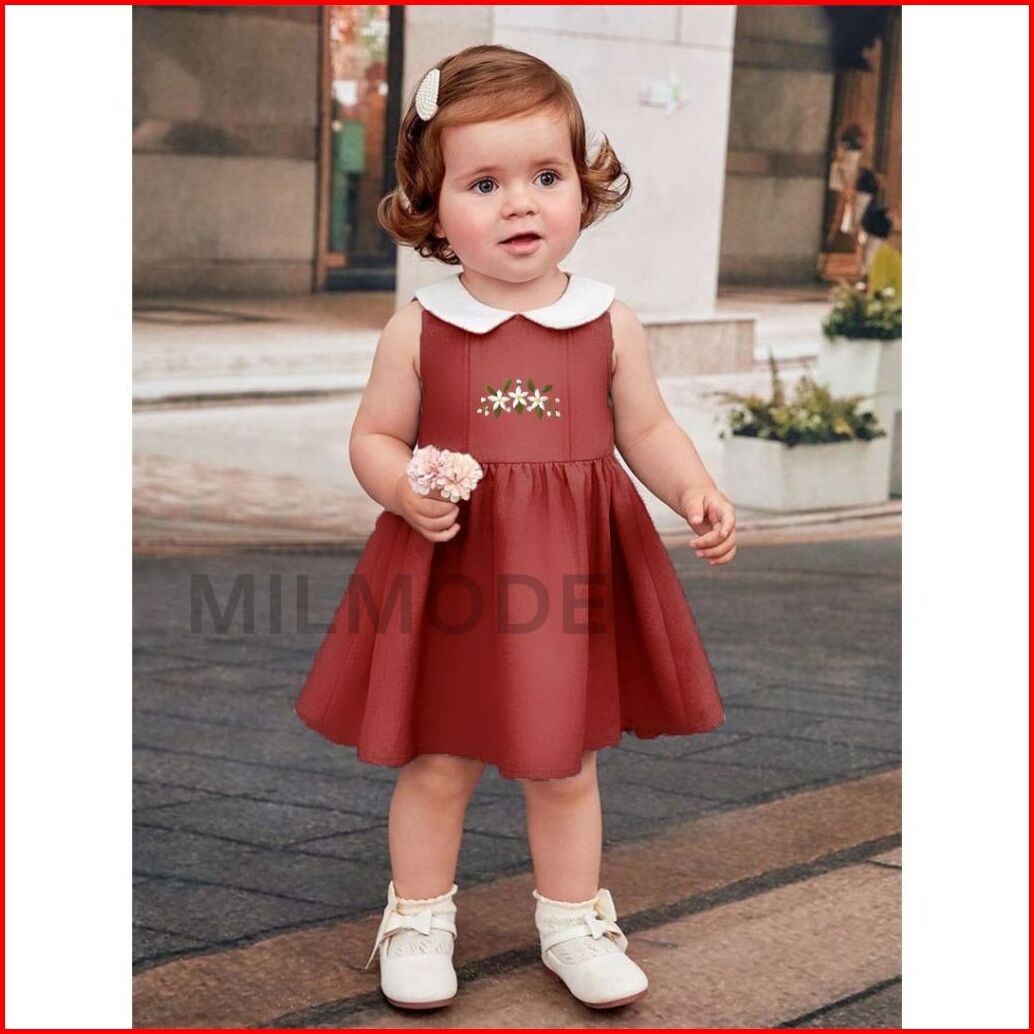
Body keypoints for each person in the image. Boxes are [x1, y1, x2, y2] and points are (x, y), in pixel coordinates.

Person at [294, 44, 737, 1012]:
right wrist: (402, 487)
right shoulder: (421, 326)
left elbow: (646, 428)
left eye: (545, 176)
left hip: (569, 575)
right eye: (483, 183)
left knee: (563, 761)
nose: (519, 205)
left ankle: (573, 921)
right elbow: (374, 435)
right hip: (451, 571)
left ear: (582, 185)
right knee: (439, 756)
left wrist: (692, 488)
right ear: (431, 206)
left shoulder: (607, 321)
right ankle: (417, 916)